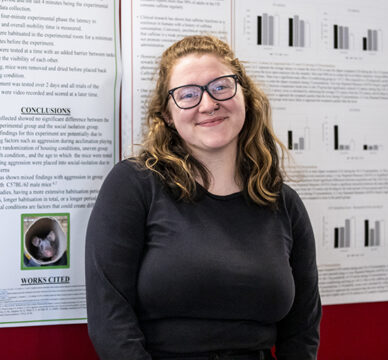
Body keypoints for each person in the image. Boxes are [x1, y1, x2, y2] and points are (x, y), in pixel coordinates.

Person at [85, 35, 321, 360]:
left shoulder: (283, 202)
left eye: (221, 86)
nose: (208, 104)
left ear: (244, 95)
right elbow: (109, 318)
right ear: (167, 115)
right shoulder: (134, 186)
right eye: (188, 95)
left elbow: (303, 330)